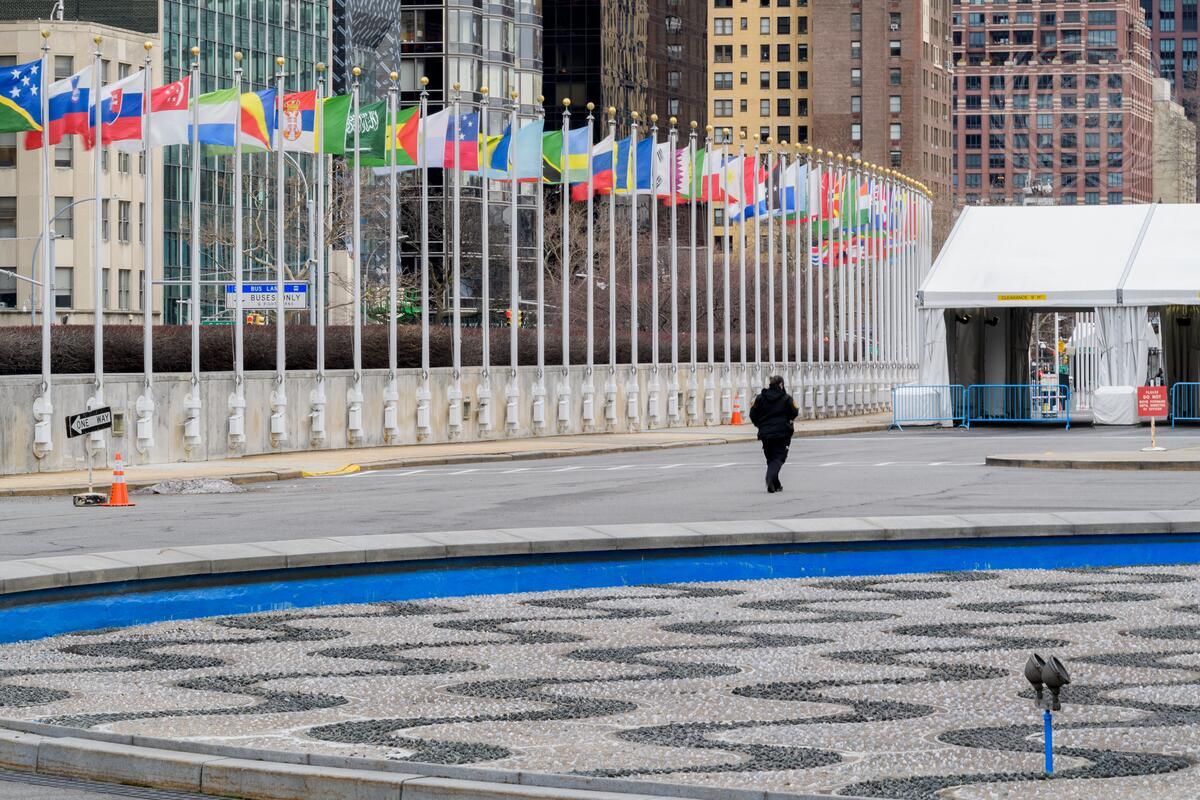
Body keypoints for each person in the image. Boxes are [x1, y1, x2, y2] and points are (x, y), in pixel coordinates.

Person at [749, 375, 799, 494]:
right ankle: (769, 478)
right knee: (778, 458)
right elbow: (794, 412)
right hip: (782, 433)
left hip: (765, 433)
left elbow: (753, 414)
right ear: (781, 385)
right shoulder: (787, 399)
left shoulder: (760, 398)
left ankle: (776, 484)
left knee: (771, 458)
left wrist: (760, 425)